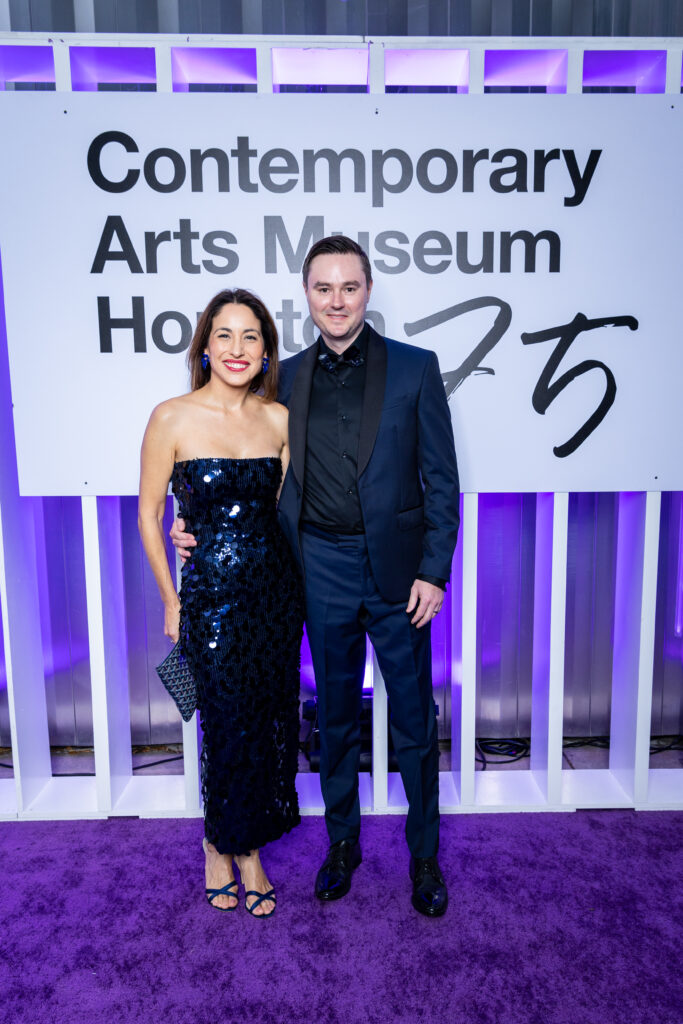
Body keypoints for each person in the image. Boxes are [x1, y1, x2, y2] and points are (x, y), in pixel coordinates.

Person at [172, 237, 460, 917]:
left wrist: (433, 570)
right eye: (323, 288)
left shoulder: (416, 370)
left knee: (415, 723)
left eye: (349, 287)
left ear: (367, 291)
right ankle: (342, 847)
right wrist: (195, 528)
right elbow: (238, 459)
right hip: (317, 570)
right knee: (333, 721)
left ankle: (424, 857)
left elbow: (441, 480)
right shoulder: (281, 380)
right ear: (307, 296)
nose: (337, 300)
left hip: (398, 575)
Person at [138, 288, 303, 917]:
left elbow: (287, 512)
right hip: (209, 600)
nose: (238, 349)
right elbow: (150, 517)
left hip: (276, 599)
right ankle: (227, 846)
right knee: (225, 723)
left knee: (267, 723)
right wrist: (170, 599)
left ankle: (241, 842)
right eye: (225, 335)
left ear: (266, 351)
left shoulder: (280, 420)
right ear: (205, 345)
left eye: (251, 337)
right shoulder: (171, 417)